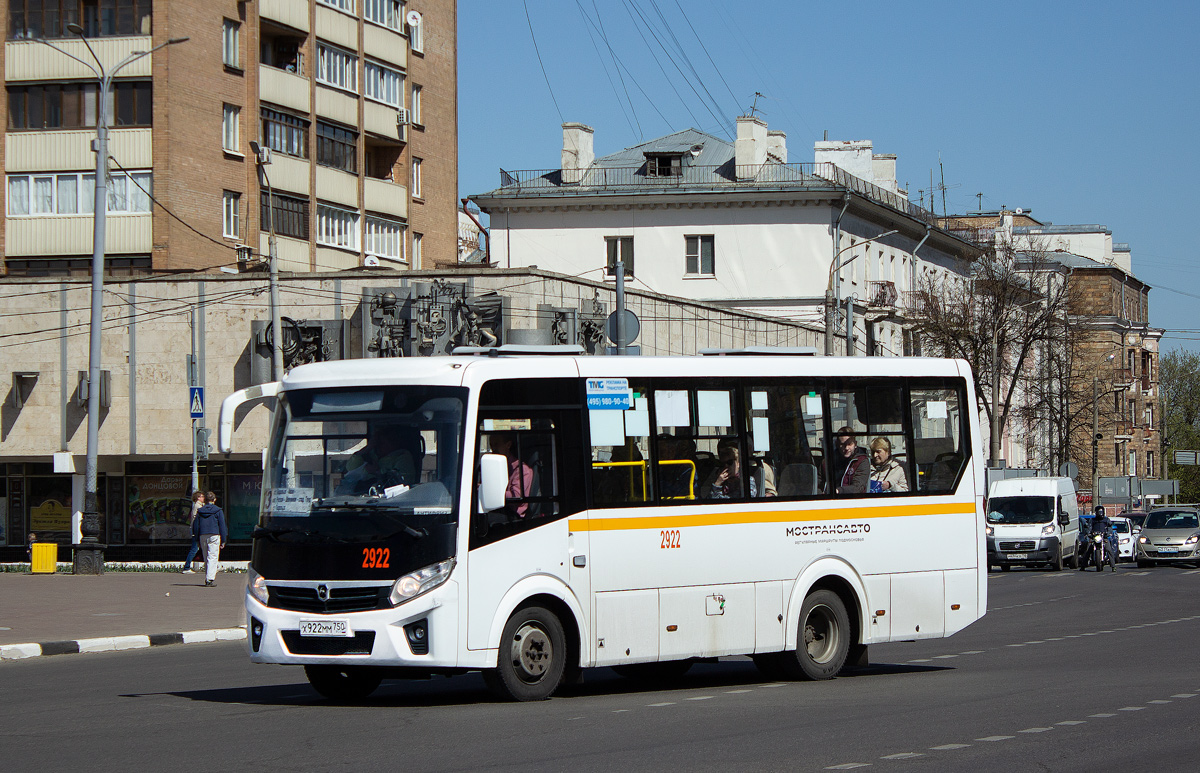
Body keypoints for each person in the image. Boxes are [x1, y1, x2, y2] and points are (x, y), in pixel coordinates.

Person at [339, 425, 417, 494]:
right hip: (361, 495)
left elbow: (402, 481)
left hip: (389, 497)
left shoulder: (403, 456)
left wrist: (377, 471)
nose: (380, 446)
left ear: (394, 443)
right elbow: (350, 468)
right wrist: (367, 448)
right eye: (378, 443)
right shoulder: (370, 453)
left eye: (384, 443)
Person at [489, 432, 534, 516]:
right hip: (497, 509)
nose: (493, 449)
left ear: (508, 445)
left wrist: (490, 493)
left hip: (513, 516)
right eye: (491, 445)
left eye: (496, 444)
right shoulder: (492, 466)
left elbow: (516, 496)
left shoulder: (522, 469)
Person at [192, 490, 227, 587]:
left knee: (206, 556)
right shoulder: (218, 510)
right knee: (213, 556)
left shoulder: (200, 511)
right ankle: (209, 579)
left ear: (205, 500)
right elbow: (222, 526)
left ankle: (208, 577)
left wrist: (196, 539)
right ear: (214, 500)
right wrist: (223, 540)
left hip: (203, 535)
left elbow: (196, 526)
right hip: (214, 535)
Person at [831, 427, 870, 494]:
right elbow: (819, 482)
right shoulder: (829, 460)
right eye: (842, 444)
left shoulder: (861, 461)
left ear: (855, 444)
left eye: (849, 444)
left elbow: (857, 487)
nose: (846, 448)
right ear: (837, 444)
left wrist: (838, 491)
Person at [180, 491, 205, 574]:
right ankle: (186, 567)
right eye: (201, 496)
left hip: (195, 529)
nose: (203, 498)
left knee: (199, 548)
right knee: (194, 549)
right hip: (196, 530)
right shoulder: (198, 506)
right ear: (198, 498)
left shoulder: (198, 505)